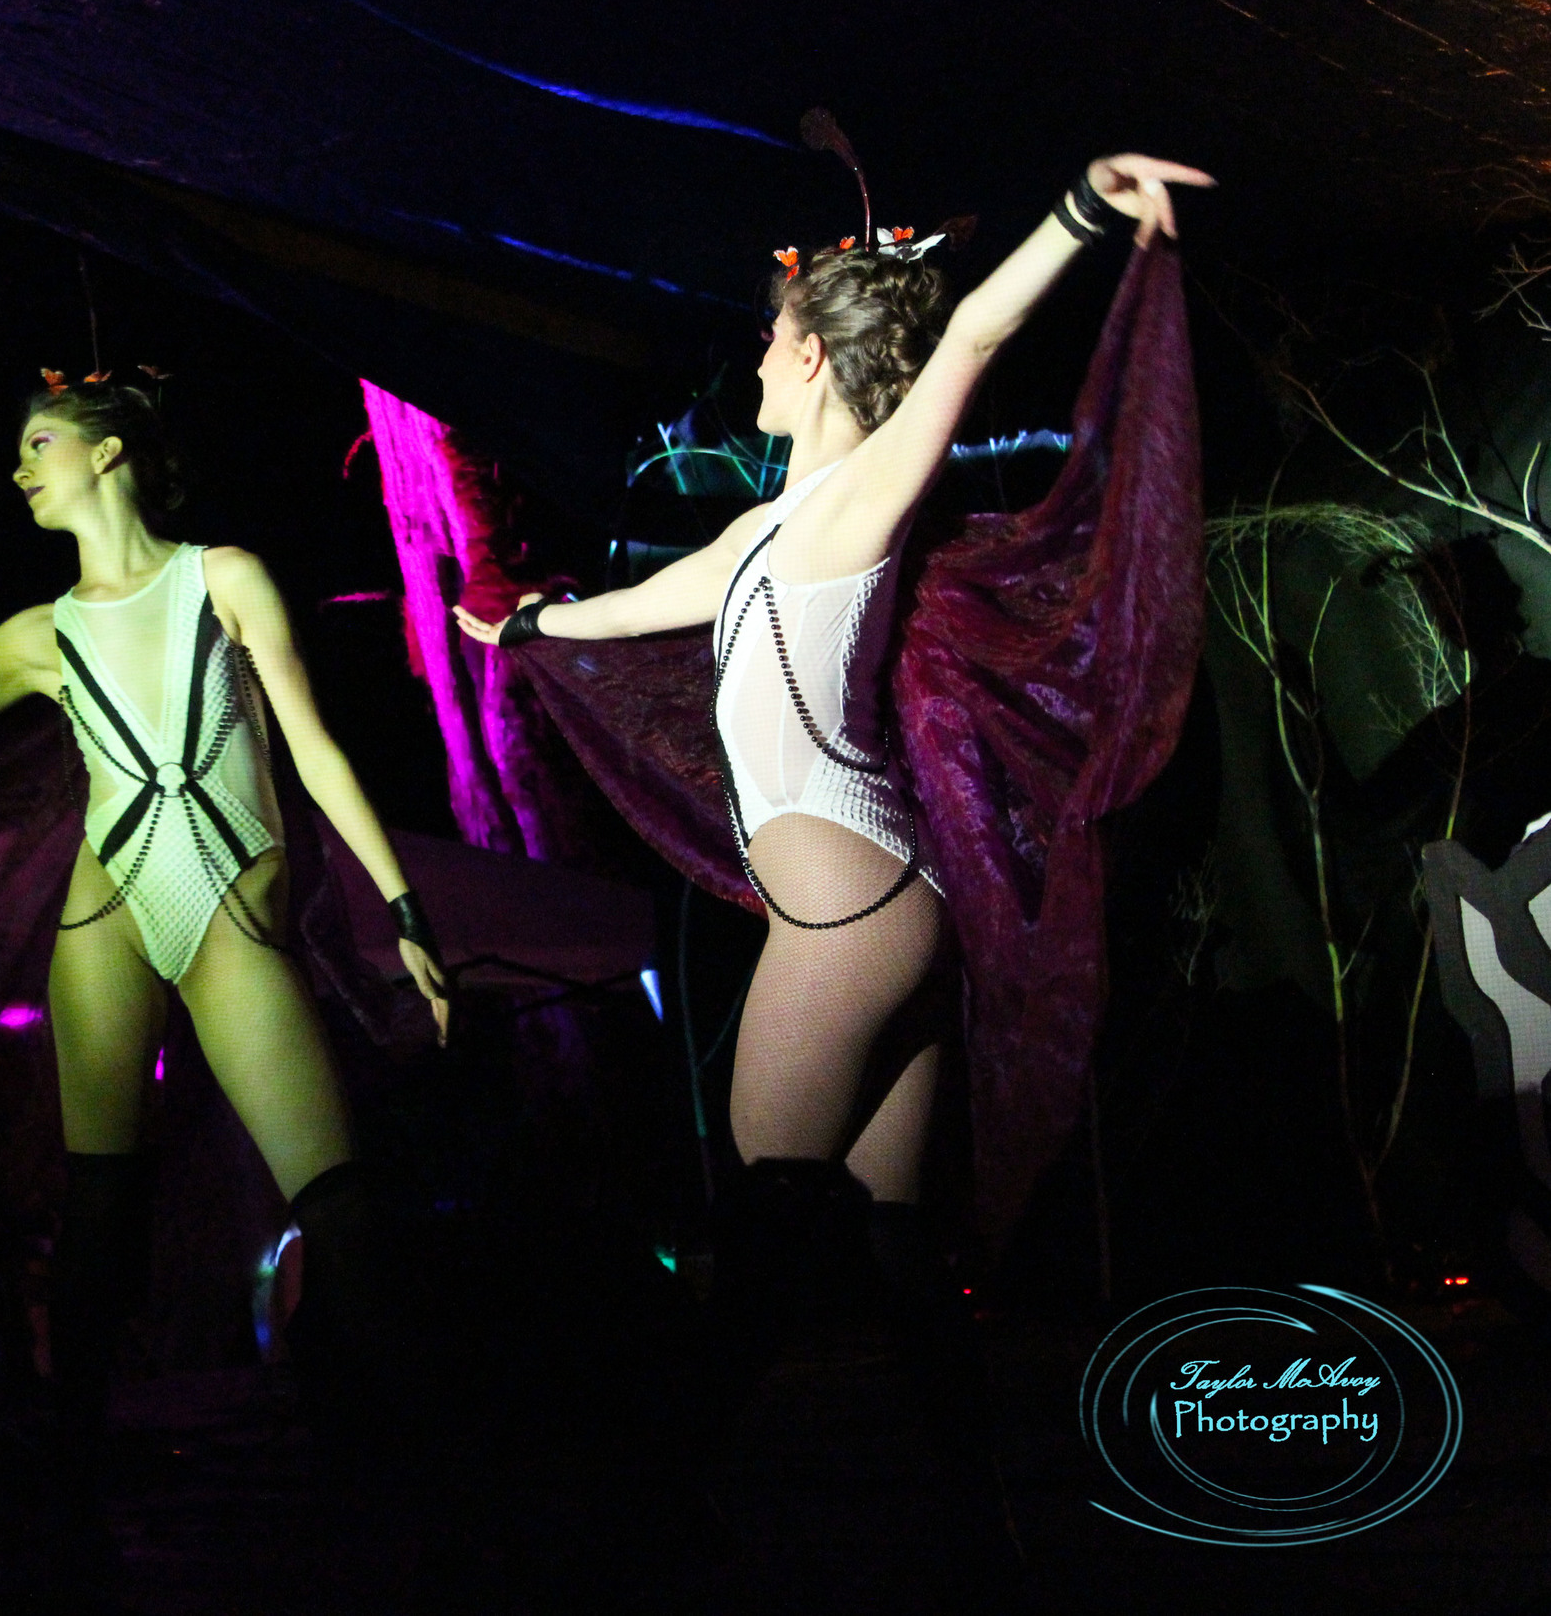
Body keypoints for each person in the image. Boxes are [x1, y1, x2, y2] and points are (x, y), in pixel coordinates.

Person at [456, 154, 1214, 1589]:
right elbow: (638, 608)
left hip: (848, 920)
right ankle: (975, 1510)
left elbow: (977, 334)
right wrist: (527, 629)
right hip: (884, 906)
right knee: (896, 1241)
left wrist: (1085, 208)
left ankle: (657, 1500)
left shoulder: (862, 499)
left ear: (808, 355)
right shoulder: (761, 529)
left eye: (764, 337)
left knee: (762, 1220)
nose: (753, 355)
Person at [0, 377, 451, 1513]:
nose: (18, 469)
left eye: (36, 442)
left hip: (226, 903)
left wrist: (402, 906)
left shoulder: (223, 575)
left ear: (107, 454)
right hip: (107, 906)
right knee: (101, 1191)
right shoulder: (37, 635)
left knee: (335, 1197)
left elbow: (313, 748)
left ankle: (436, 1469)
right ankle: (72, 1464)